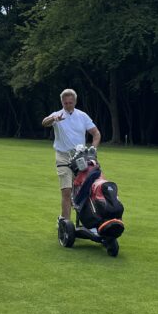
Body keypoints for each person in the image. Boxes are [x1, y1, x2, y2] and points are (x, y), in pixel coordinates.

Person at [42, 88, 101, 224]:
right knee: (66, 191)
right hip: (63, 156)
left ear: (75, 101)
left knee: (82, 191)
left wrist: (93, 149)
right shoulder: (57, 115)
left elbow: (96, 134)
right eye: (65, 103)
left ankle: (85, 221)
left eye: (70, 103)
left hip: (80, 157)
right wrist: (53, 119)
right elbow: (44, 122)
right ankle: (66, 225)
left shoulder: (82, 116)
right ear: (62, 102)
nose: (68, 105)